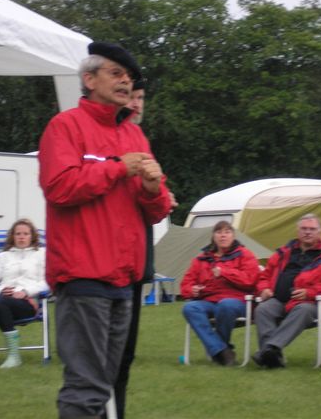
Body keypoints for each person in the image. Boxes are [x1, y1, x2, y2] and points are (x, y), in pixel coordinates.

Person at [38, 41, 172, 418]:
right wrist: (117, 168)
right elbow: (59, 187)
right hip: (83, 275)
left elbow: (157, 210)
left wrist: (153, 189)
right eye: (116, 73)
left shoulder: (134, 136)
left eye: (128, 76)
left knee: (106, 384)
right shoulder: (65, 126)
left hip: (123, 280)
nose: (125, 81)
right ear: (89, 79)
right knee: (86, 387)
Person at [110, 78, 178, 419]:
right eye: (131, 97)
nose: (137, 104)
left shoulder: (141, 142)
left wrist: (159, 195)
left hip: (135, 266)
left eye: (141, 97)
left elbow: (154, 204)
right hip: (105, 266)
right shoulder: (109, 142)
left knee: (125, 356)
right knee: (101, 360)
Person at [253, 213, 321, 368]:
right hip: (279, 300)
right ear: (297, 231)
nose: (307, 232)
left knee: (303, 310)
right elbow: (264, 276)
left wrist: (310, 292)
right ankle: (272, 357)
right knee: (263, 309)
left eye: (312, 229)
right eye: (304, 228)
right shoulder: (283, 252)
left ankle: (270, 349)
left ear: (319, 232)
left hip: (310, 304)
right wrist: (264, 289)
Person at [180, 221, 261, 366]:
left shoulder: (244, 254)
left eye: (227, 232)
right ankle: (222, 351)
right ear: (213, 236)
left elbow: (250, 280)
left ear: (233, 236)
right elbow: (185, 284)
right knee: (190, 308)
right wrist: (192, 289)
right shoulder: (201, 259)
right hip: (209, 301)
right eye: (219, 232)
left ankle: (219, 351)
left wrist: (225, 272)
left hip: (238, 301)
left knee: (225, 305)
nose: (223, 236)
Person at [0, 218, 48, 369]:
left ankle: (14, 356)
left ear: (32, 236)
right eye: (18, 234)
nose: (21, 237)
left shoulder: (41, 254)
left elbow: (47, 282)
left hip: (27, 303)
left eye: (25, 234)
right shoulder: (3, 257)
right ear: (12, 236)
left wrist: (25, 291)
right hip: (2, 300)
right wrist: (0, 291)